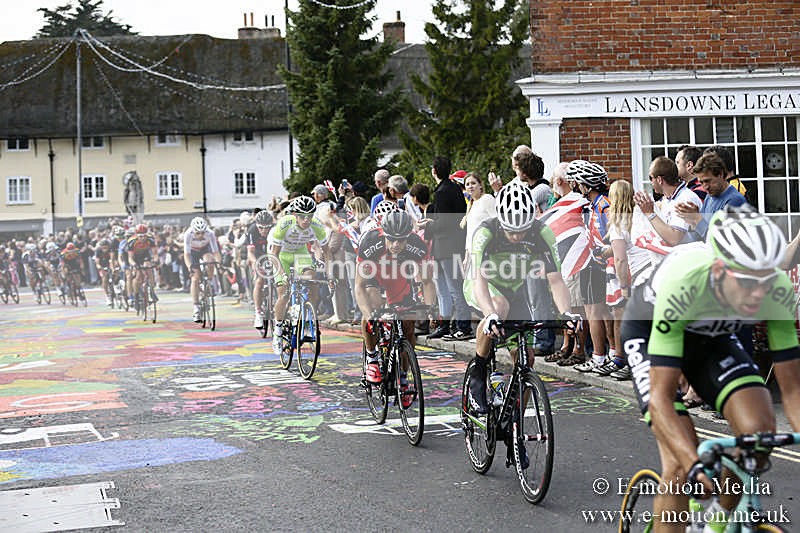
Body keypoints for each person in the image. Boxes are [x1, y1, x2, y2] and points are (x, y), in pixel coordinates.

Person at [620, 207, 800, 533]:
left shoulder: (776, 290)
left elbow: (793, 390)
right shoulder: (684, 283)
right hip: (650, 334)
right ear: (719, 271)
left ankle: (716, 522)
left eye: (764, 281)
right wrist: (692, 464)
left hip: (712, 339)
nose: (758, 294)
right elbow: (661, 398)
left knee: (759, 435)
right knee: (678, 467)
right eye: (747, 283)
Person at [464, 181, 580, 416]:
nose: (517, 236)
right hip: (484, 287)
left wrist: (566, 313)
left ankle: (514, 423)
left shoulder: (540, 233)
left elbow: (556, 280)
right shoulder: (486, 232)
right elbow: (479, 281)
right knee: (498, 307)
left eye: (522, 231)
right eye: (511, 231)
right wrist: (490, 315)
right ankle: (477, 374)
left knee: (526, 360)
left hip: (514, 291)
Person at [355, 211, 436, 402]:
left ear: (409, 236)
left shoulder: (417, 245)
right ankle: (372, 356)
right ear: (384, 234)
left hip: (398, 277)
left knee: (408, 326)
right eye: (391, 240)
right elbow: (359, 287)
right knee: (373, 308)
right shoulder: (370, 244)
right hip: (374, 276)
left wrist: (430, 309)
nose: (395, 245)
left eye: (401, 240)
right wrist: (370, 316)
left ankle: (403, 376)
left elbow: (427, 281)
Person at [596, 179, 649, 379]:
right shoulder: (640, 215)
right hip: (649, 270)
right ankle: (626, 358)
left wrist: (624, 285)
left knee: (623, 320)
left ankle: (628, 360)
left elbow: (620, 259)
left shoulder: (618, 221)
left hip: (630, 275)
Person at [539, 162, 590, 365]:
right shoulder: (563, 202)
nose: (553, 185)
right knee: (566, 306)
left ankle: (578, 348)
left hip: (577, 261)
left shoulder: (578, 201)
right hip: (562, 263)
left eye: (553, 180)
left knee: (577, 307)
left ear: (560, 181)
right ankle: (566, 345)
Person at [568, 160, 613, 372]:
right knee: (598, 311)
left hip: (599, 264)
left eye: (578, 183)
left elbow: (612, 237)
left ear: (586, 184)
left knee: (596, 311)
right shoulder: (593, 206)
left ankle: (600, 356)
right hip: (595, 263)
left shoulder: (604, 206)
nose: (575, 187)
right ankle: (607, 353)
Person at [419, 155, 472, 340]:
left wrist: (428, 224)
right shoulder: (453, 189)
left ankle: (463, 326)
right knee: (444, 288)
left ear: (434, 171)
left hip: (447, 247)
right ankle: (445, 325)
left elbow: (444, 223)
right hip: (447, 246)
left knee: (453, 288)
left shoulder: (442, 191)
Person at [269, 196, 327, 355]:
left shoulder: (316, 225)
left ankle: (309, 317)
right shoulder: (284, 223)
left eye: (310, 216)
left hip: (301, 254)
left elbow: (322, 249)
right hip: (282, 255)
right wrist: (281, 273)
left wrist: (323, 264)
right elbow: (273, 253)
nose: (306, 220)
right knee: (284, 293)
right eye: (302, 216)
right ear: (295, 215)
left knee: (312, 280)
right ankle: (278, 330)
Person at [675, 151, 747, 240]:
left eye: (707, 181)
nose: (705, 187)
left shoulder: (735, 200)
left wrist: (697, 219)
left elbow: (721, 240)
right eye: (701, 182)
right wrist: (692, 221)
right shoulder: (710, 196)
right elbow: (700, 235)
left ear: (720, 174)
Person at [183, 217, 222, 323]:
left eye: (202, 233)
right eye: (198, 233)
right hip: (193, 252)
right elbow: (186, 255)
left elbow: (216, 252)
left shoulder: (210, 233)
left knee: (210, 261)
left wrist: (219, 264)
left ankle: (208, 282)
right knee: (195, 279)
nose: (200, 235)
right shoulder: (188, 234)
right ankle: (196, 307)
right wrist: (189, 267)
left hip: (205, 249)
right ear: (193, 231)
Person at [248, 210, 273, 329]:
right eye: (261, 228)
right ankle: (258, 312)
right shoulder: (252, 230)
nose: (264, 231)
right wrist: (256, 263)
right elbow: (250, 253)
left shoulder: (275, 229)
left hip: (272, 253)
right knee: (259, 280)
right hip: (258, 255)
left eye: (267, 227)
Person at [128, 224, 159, 307]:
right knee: (138, 276)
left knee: (149, 269)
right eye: (140, 236)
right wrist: (134, 265)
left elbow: (155, 253)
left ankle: (152, 291)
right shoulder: (132, 242)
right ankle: (136, 295)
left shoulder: (150, 240)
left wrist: (155, 261)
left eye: (144, 236)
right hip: (136, 257)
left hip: (145, 255)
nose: (142, 238)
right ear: (137, 235)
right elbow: (130, 258)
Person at [94, 239, 114, 306]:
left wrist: (113, 267)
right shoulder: (98, 251)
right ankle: (107, 296)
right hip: (102, 265)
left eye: (106, 247)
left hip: (109, 263)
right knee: (104, 279)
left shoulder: (111, 249)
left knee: (114, 271)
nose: (105, 249)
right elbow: (97, 262)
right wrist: (99, 266)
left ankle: (116, 285)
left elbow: (112, 258)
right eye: (103, 247)